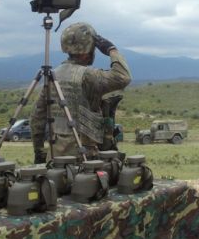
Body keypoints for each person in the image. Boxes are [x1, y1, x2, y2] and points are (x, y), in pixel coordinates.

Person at [31, 22, 131, 162]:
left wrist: (39, 152)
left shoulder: (53, 75)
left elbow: (37, 117)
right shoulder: (88, 76)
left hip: (55, 157)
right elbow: (123, 77)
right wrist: (111, 50)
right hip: (84, 158)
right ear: (88, 51)